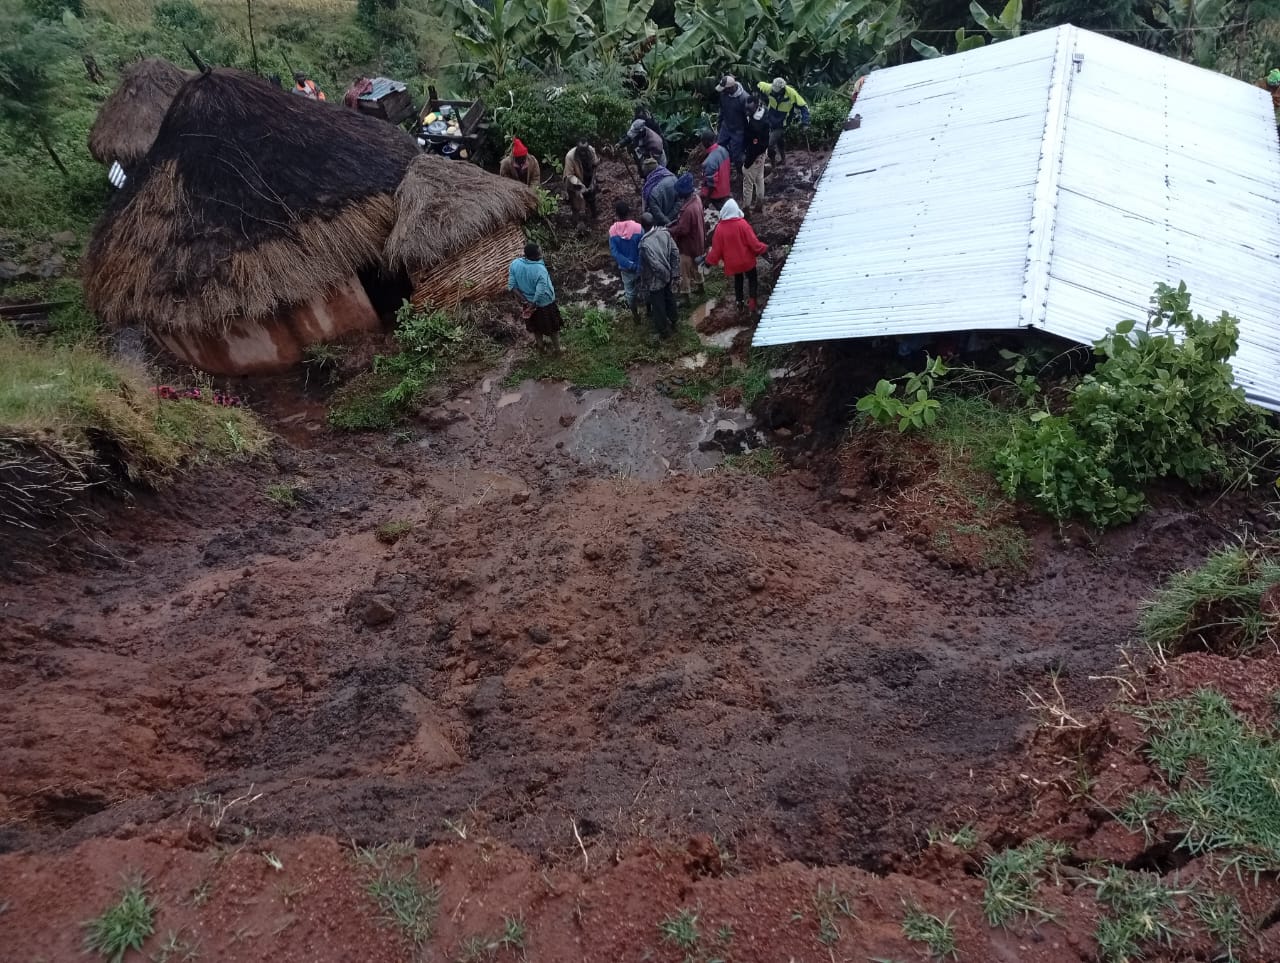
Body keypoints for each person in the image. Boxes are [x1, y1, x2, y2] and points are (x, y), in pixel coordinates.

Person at [704, 199, 767, 315]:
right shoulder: (742, 224)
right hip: (747, 261)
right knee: (752, 279)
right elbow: (753, 243)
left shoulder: (720, 229)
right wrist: (763, 248)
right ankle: (752, 302)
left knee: (738, 280)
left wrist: (708, 262)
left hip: (733, 264)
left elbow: (716, 250)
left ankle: (739, 303)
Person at [508, 243, 563, 353]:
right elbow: (540, 291)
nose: (542, 253)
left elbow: (512, 286)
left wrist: (525, 301)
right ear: (535, 256)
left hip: (527, 304)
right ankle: (558, 349)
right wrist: (533, 304)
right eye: (540, 252)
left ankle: (541, 347)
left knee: (536, 327)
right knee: (553, 328)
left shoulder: (515, 264)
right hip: (544, 303)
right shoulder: (539, 269)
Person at [637, 213, 681, 339]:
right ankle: (674, 321)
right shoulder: (665, 233)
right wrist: (674, 273)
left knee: (658, 305)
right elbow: (675, 252)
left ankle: (663, 331)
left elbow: (655, 265)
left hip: (655, 279)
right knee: (669, 298)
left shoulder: (644, 245)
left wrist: (665, 276)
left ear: (642, 226)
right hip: (668, 273)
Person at [667, 174, 705, 301]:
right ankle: (701, 288)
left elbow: (683, 229)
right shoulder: (697, 199)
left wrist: (669, 230)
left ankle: (686, 297)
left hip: (687, 245)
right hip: (698, 241)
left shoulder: (688, 210)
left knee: (683, 271)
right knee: (696, 266)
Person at [756, 76, 809, 165]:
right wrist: (760, 98)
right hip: (771, 118)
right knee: (779, 140)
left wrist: (805, 123)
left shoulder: (791, 94)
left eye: (777, 91)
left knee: (769, 144)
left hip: (783, 122)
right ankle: (783, 160)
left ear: (782, 88)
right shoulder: (769, 88)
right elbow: (759, 85)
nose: (774, 93)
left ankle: (773, 166)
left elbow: (804, 107)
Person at [608, 200, 644, 321]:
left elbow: (615, 253)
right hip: (640, 266)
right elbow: (644, 248)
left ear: (616, 215)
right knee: (645, 287)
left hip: (625, 269)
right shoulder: (638, 228)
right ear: (629, 212)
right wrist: (637, 264)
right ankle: (649, 310)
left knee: (629, 292)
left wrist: (628, 264)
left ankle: (635, 316)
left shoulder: (612, 231)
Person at [742, 95, 769, 216]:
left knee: (748, 181)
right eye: (746, 108)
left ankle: (746, 209)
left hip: (756, 154)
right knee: (759, 178)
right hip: (763, 152)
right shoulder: (763, 112)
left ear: (756, 106)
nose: (747, 111)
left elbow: (754, 147)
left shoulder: (755, 124)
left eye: (749, 109)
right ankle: (759, 203)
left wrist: (747, 163)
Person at [714, 74, 749, 167]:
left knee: (737, 155)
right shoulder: (723, 94)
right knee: (719, 147)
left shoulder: (744, 98)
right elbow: (722, 109)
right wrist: (719, 123)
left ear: (730, 88)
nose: (722, 91)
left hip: (738, 130)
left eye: (724, 89)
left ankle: (740, 173)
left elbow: (748, 118)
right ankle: (725, 166)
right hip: (726, 126)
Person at [563, 138, 600, 225]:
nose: (583, 153)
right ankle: (577, 222)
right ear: (577, 148)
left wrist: (592, 182)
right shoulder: (570, 156)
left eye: (585, 150)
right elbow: (570, 175)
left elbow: (595, 165)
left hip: (587, 176)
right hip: (574, 181)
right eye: (581, 151)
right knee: (576, 205)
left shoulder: (591, 151)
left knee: (591, 197)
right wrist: (580, 185)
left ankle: (594, 217)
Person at [641, 157, 680, 226]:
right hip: (676, 220)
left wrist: (668, 222)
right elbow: (679, 201)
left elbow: (657, 213)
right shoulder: (673, 178)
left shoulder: (650, 191)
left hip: (662, 226)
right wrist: (671, 217)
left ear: (648, 173)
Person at [699, 130, 731, 209]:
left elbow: (711, 184)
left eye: (703, 142)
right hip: (726, 188)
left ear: (708, 143)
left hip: (717, 194)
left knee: (723, 212)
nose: (702, 144)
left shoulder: (709, 161)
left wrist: (707, 200)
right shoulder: (723, 150)